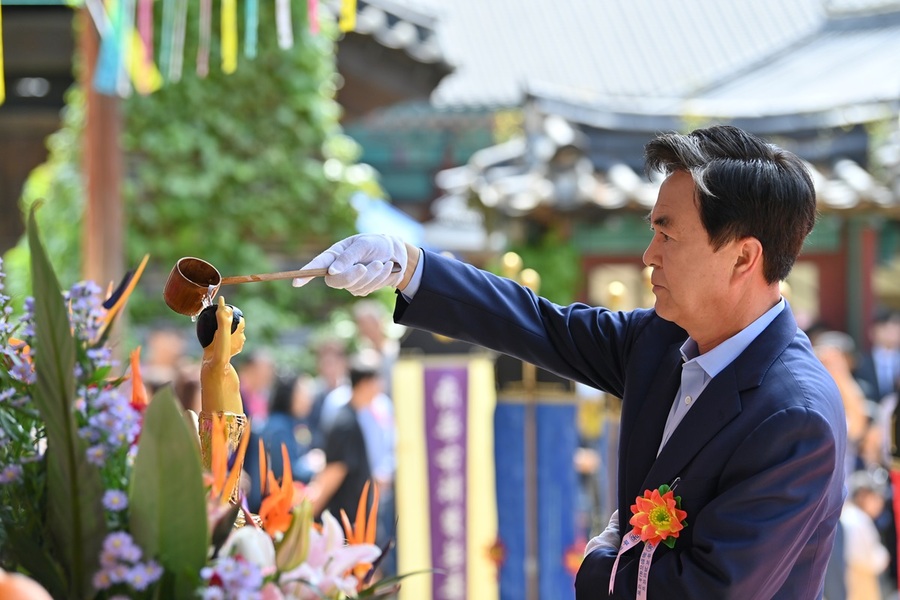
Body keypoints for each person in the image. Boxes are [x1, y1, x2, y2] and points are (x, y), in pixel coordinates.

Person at [294, 125, 847, 598]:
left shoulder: (793, 417)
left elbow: (708, 589)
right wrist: (408, 265)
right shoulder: (661, 341)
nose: (648, 254)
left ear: (743, 256)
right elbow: (542, 325)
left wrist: (601, 559)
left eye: (666, 233)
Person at [307, 353, 378, 523]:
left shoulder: (351, 417)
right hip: (346, 524)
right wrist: (303, 518)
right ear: (365, 383)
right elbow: (333, 472)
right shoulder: (345, 423)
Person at [196, 296, 245, 414]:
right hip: (221, 428)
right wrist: (224, 325)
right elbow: (221, 359)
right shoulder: (214, 366)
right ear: (222, 336)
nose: (244, 338)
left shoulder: (210, 363)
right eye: (241, 332)